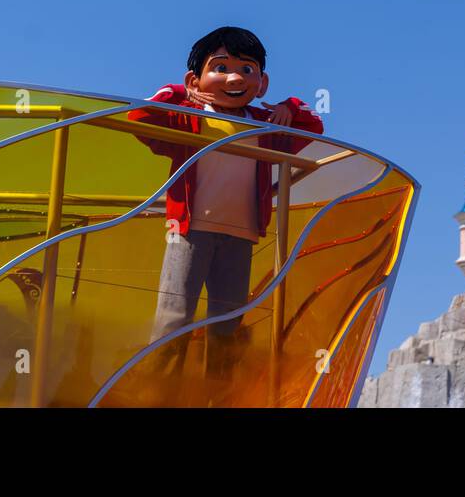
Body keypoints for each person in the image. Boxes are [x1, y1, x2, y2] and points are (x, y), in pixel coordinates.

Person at [127, 26, 322, 386]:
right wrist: (181, 93)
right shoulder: (188, 115)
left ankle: (216, 395)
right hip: (188, 231)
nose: (234, 77)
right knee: (175, 315)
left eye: (247, 70)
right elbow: (140, 116)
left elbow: (314, 124)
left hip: (240, 233)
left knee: (228, 323)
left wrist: (288, 106)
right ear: (195, 78)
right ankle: (156, 392)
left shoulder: (264, 123)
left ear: (261, 83)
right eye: (220, 68)